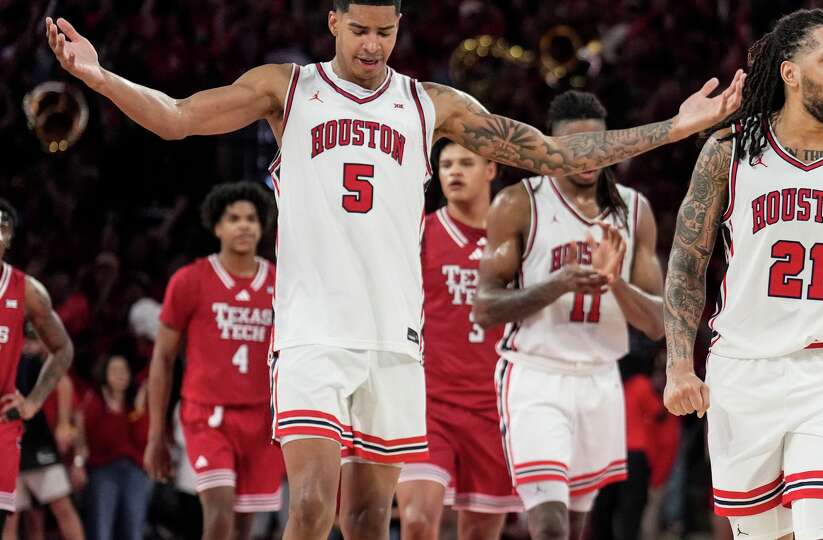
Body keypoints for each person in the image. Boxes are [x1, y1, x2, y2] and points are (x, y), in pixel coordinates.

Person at [46, 2, 743, 536]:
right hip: (313, 334)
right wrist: (98, 75)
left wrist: (676, 128)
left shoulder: (431, 103)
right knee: (314, 506)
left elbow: (552, 155)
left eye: (385, 31)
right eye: (359, 30)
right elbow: (175, 117)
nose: (373, 45)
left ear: (400, 28)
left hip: (393, 343)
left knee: (370, 518)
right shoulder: (286, 88)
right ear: (333, 24)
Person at [662, 8, 823, 540]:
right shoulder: (729, 151)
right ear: (790, 72)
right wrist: (677, 365)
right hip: (742, 372)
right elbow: (687, 263)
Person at [473, 90, 666, 540]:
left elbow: (658, 324)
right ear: (550, 146)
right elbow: (485, 308)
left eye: (597, 145)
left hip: (601, 378)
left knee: (578, 527)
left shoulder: (634, 211)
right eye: (573, 146)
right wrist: (559, 283)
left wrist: (613, 281)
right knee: (550, 526)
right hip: (536, 376)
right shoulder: (519, 203)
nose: (587, 156)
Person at [397, 140, 521, 540]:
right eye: (446, 164)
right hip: (429, 401)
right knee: (416, 521)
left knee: (481, 533)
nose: (454, 172)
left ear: (490, 170)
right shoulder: (419, 234)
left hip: (495, 408)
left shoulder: (519, 242)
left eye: (466, 163)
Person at [144, 182, 282, 540]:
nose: (243, 226)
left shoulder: (281, 284)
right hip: (207, 415)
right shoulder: (190, 280)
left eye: (251, 218)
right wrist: (156, 432)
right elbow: (162, 358)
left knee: (243, 527)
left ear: (262, 226)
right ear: (216, 226)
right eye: (233, 218)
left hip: (261, 418)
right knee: (218, 515)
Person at [0, 198, 75, 532]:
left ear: (10, 237)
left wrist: (33, 402)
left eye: (1, 227)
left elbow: (62, 349)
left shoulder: (27, 290)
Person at [3, 326, 84, 540]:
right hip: (9, 443)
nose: (29, 346)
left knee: (61, 506)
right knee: (13, 517)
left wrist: (64, 424)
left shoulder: (34, 362)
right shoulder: (10, 359)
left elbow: (63, 382)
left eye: (34, 341)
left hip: (38, 443)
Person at [77, 353, 150, 540]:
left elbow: (142, 441)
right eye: (115, 370)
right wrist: (110, 411)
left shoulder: (135, 404)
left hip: (134, 470)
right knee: (101, 529)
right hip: (103, 470)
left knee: (134, 530)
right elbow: (98, 439)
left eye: (124, 370)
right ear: (104, 374)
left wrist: (139, 412)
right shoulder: (94, 400)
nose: (121, 375)